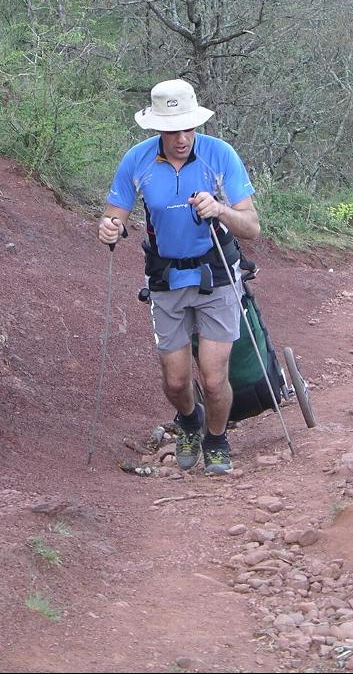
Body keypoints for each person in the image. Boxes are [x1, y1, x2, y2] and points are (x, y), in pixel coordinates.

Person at [98, 79, 260, 475]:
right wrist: (109, 227)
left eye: (188, 128)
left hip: (216, 273)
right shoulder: (136, 161)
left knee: (213, 375)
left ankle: (217, 439)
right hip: (165, 278)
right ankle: (189, 420)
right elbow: (114, 214)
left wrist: (220, 209)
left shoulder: (219, 155)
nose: (183, 137)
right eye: (173, 130)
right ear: (157, 129)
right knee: (174, 382)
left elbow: (251, 227)